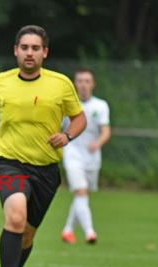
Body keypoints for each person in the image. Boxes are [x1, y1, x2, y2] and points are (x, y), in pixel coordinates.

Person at [0, 25, 87, 267]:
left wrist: (68, 136)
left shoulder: (60, 84)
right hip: (8, 163)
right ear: (16, 51)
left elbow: (79, 118)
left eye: (35, 48)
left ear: (44, 52)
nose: (30, 53)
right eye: (25, 47)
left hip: (47, 169)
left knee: (27, 236)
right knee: (15, 215)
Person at [61, 68, 111, 245]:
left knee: (82, 195)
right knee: (81, 192)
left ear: (93, 84)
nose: (83, 84)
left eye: (87, 81)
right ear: (75, 84)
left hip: (92, 157)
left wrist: (98, 143)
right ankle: (90, 232)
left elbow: (106, 131)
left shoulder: (101, 105)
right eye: (80, 81)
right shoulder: (67, 104)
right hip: (72, 154)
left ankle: (67, 230)